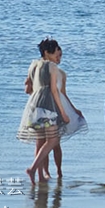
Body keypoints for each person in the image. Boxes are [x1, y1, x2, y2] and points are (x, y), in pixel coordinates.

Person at [18, 38, 68, 184]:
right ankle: (32, 169)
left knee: (40, 142)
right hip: (47, 106)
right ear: (47, 53)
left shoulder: (33, 65)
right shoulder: (52, 67)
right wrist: (63, 113)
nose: (58, 55)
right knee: (53, 140)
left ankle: (39, 177)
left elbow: (27, 89)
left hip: (33, 106)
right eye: (55, 52)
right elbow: (54, 91)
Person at [49, 43, 87, 178]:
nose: (59, 58)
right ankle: (45, 172)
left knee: (55, 142)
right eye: (57, 55)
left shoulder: (62, 74)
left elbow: (63, 93)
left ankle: (59, 171)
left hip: (60, 107)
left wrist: (74, 109)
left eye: (61, 56)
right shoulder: (43, 70)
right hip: (47, 107)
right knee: (43, 142)